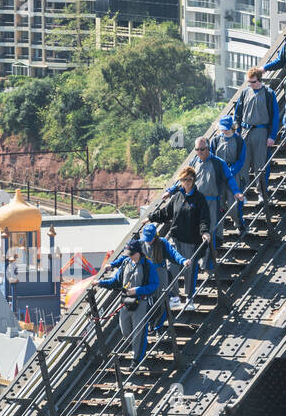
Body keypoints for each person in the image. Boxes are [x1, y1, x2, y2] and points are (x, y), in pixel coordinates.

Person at [104, 221, 186, 320]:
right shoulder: (140, 243)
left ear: (155, 236)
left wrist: (183, 261)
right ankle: (149, 323)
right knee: (145, 301)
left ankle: (158, 327)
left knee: (161, 301)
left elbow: (174, 254)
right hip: (145, 274)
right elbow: (126, 256)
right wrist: (112, 265)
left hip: (160, 274)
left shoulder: (162, 242)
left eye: (150, 239)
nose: (148, 241)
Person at [97, 236, 159, 364]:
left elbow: (154, 285)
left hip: (141, 302)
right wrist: (100, 283)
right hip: (125, 302)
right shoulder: (125, 263)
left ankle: (136, 360)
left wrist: (137, 290)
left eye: (132, 254)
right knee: (125, 331)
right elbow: (116, 281)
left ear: (138, 252)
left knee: (138, 332)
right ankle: (140, 347)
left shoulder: (148, 266)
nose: (130, 257)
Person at [161, 166, 211, 309]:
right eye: (184, 180)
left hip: (190, 241)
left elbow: (204, 219)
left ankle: (189, 298)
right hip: (176, 238)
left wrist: (205, 232)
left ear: (194, 180)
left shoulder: (199, 198)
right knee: (171, 268)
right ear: (181, 181)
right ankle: (175, 297)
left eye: (189, 179)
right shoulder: (177, 196)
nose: (187, 182)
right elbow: (166, 212)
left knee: (189, 269)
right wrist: (150, 218)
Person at [233, 67, 280, 210]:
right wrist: (238, 131)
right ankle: (243, 192)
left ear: (259, 80)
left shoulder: (269, 94)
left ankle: (262, 193)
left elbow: (275, 116)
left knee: (261, 165)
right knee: (243, 164)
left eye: (253, 82)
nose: (250, 84)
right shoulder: (245, 92)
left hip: (261, 131)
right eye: (249, 82)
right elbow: (238, 114)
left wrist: (272, 136)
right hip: (246, 131)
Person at [193, 135, 244, 260]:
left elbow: (229, 178)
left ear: (208, 148)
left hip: (213, 203)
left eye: (202, 149)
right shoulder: (194, 162)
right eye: (197, 149)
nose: (199, 152)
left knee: (211, 231)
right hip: (198, 202)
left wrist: (236, 191)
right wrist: (171, 191)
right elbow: (184, 178)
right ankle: (201, 258)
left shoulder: (218, 163)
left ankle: (210, 260)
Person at [210, 114, 248, 241]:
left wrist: (230, 172)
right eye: (222, 128)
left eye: (226, 128)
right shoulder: (215, 141)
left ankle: (239, 224)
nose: (224, 131)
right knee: (219, 205)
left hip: (234, 175)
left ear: (232, 127)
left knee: (233, 204)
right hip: (219, 177)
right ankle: (219, 235)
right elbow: (211, 157)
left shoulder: (239, 141)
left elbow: (241, 160)